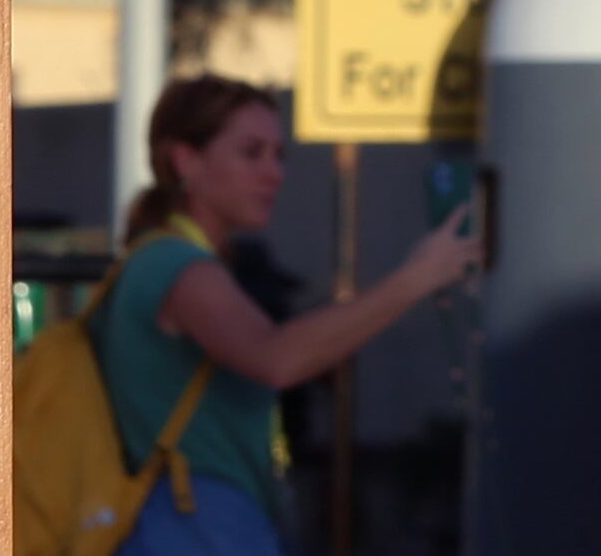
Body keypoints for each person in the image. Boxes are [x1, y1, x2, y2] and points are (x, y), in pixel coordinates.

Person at [99, 77, 481, 553]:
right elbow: (275, 358)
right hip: (194, 527)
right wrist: (417, 277)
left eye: (279, 155)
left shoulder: (186, 260)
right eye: (251, 152)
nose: (273, 173)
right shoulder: (173, 264)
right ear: (185, 160)